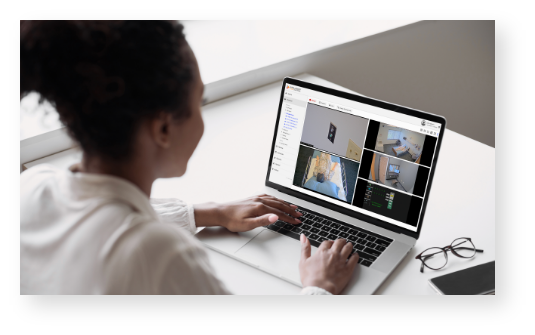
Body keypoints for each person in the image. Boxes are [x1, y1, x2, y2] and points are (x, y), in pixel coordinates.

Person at [20, 20, 359, 295]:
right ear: (164, 129)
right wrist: (319, 287)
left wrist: (210, 212)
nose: (201, 118)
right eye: (200, 102)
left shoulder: (33, 187)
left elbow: (100, 217)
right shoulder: (161, 257)